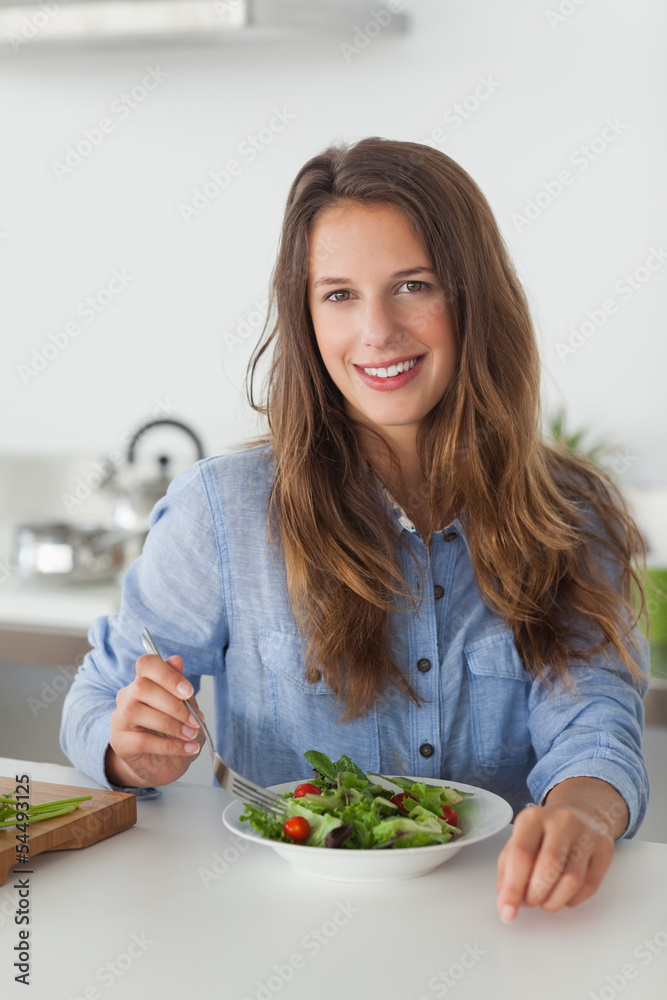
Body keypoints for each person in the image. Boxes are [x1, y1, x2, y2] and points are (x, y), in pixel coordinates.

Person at [60, 136, 650, 923]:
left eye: (412, 285)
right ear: (304, 317)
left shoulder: (569, 514)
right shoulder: (221, 510)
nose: (376, 330)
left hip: (502, 924)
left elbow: (593, 725)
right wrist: (125, 743)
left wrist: (583, 814)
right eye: (338, 294)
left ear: (474, 299)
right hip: (276, 928)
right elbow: (99, 696)